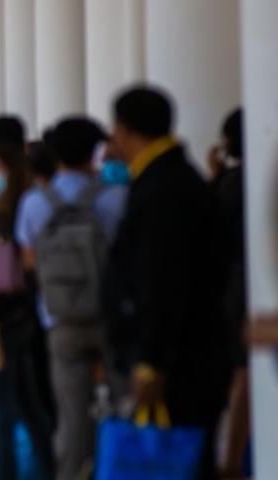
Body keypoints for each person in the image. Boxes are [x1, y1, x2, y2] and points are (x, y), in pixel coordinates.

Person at [104, 86, 233, 479]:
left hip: (179, 364)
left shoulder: (162, 190)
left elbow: (163, 281)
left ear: (124, 130)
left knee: (180, 459)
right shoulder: (171, 179)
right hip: (189, 355)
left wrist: (151, 362)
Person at [15, 117, 127, 480]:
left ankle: (69, 472)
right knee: (124, 404)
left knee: (71, 414)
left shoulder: (34, 202)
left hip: (59, 317)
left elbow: (29, 260)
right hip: (111, 316)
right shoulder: (116, 197)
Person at [0, 116, 55, 480]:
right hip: (25, 311)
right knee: (27, 401)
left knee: (0, 406)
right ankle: (51, 466)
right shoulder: (32, 191)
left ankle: (2, 473)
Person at [208, 108, 249, 479]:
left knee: (241, 372)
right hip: (249, 282)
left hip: (235, 284)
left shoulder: (231, 182)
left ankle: (232, 460)